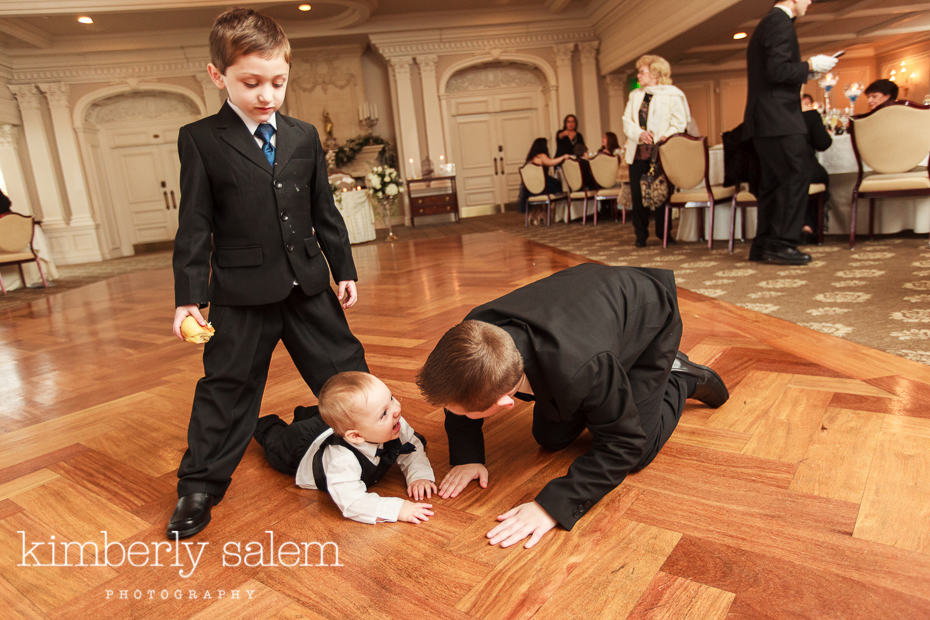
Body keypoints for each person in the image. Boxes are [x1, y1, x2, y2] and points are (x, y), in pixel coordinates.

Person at [168, 8, 368, 539]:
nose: (267, 95)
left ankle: (377, 444)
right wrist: (189, 297)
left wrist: (342, 268)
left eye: (278, 82)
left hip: (307, 283)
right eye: (251, 83)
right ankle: (200, 485)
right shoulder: (201, 139)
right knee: (226, 387)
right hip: (239, 292)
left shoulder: (303, 136)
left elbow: (325, 210)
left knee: (346, 367)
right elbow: (194, 224)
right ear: (219, 76)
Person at [416, 263, 729, 549]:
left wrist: (552, 506)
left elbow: (623, 443)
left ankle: (678, 376)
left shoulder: (581, 367)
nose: (454, 413)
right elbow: (458, 393)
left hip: (646, 315)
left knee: (640, 449)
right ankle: (609, 394)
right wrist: (468, 456)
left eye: (462, 413)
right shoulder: (474, 335)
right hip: (585, 311)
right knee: (550, 438)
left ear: (505, 402)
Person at [253, 372, 436, 524]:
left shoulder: (393, 423)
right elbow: (352, 502)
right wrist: (397, 508)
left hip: (328, 427)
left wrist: (419, 475)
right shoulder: (341, 459)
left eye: (392, 398)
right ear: (356, 436)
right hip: (300, 449)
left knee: (329, 416)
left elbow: (412, 446)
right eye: (384, 413)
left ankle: (305, 414)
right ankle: (260, 423)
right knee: (275, 442)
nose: (396, 410)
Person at [743, 0, 838, 265]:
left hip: (767, 119)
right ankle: (782, 244)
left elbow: (774, 71)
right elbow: (777, 71)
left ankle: (764, 245)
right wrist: (809, 65)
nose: (810, 2)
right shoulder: (779, 22)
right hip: (779, 118)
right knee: (796, 176)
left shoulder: (771, 22)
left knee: (774, 184)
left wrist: (808, 71)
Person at [622, 54, 691, 247]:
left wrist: (665, 135)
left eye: (642, 72)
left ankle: (664, 233)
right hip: (638, 151)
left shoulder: (673, 94)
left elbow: (680, 122)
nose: (638, 76)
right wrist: (639, 133)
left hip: (662, 152)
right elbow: (627, 121)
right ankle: (640, 235)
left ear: (656, 74)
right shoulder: (634, 96)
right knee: (638, 195)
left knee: (661, 193)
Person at [801, 93, 832, 241]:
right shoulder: (809, 115)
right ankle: (808, 225)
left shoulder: (767, 114)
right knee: (815, 178)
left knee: (796, 182)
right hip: (804, 169)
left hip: (772, 172)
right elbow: (823, 143)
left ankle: (800, 224)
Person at [518, 137, 570, 223]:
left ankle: (535, 214)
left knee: (539, 194)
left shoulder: (530, 159)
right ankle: (544, 213)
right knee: (559, 186)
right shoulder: (541, 156)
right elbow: (551, 162)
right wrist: (563, 157)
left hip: (530, 187)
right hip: (543, 184)